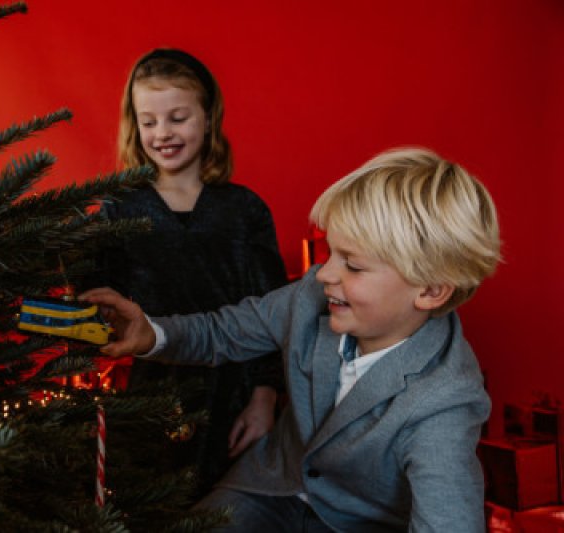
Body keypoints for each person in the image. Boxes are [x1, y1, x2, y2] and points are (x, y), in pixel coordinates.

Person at [81, 147, 501, 532]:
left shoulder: (446, 399)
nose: (323, 275)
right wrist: (150, 333)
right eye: (328, 253)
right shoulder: (311, 298)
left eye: (352, 265)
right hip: (270, 483)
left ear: (429, 290)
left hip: (356, 522)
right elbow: (223, 331)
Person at [91, 48, 288, 494]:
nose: (163, 133)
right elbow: (98, 306)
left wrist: (265, 397)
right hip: (149, 395)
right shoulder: (118, 209)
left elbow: (276, 313)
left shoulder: (244, 210)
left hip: (234, 395)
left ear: (208, 116)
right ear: (134, 124)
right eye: (149, 121)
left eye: (178, 117)